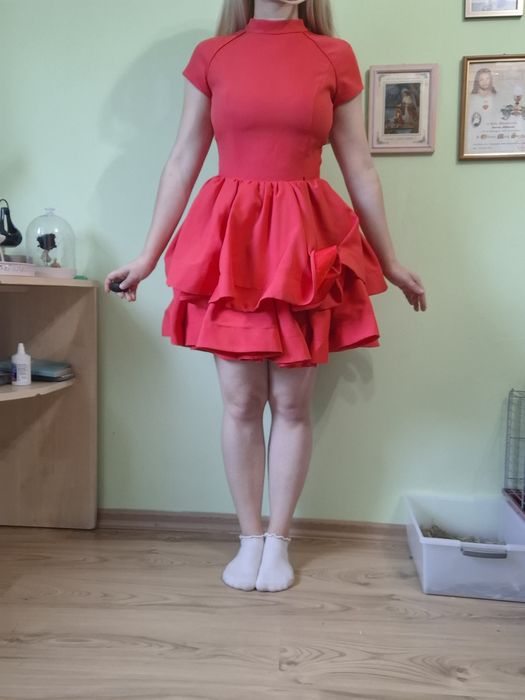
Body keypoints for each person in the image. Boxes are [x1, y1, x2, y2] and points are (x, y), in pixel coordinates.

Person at [105, 0, 427, 593]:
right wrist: (148, 256)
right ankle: (249, 538)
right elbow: (183, 160)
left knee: (293, 403)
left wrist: (390, 260)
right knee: (239, 401)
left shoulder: (333, 56)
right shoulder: (213, 56)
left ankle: (278, 541)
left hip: (304, 243)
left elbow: (359, 166)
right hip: (234, 243)